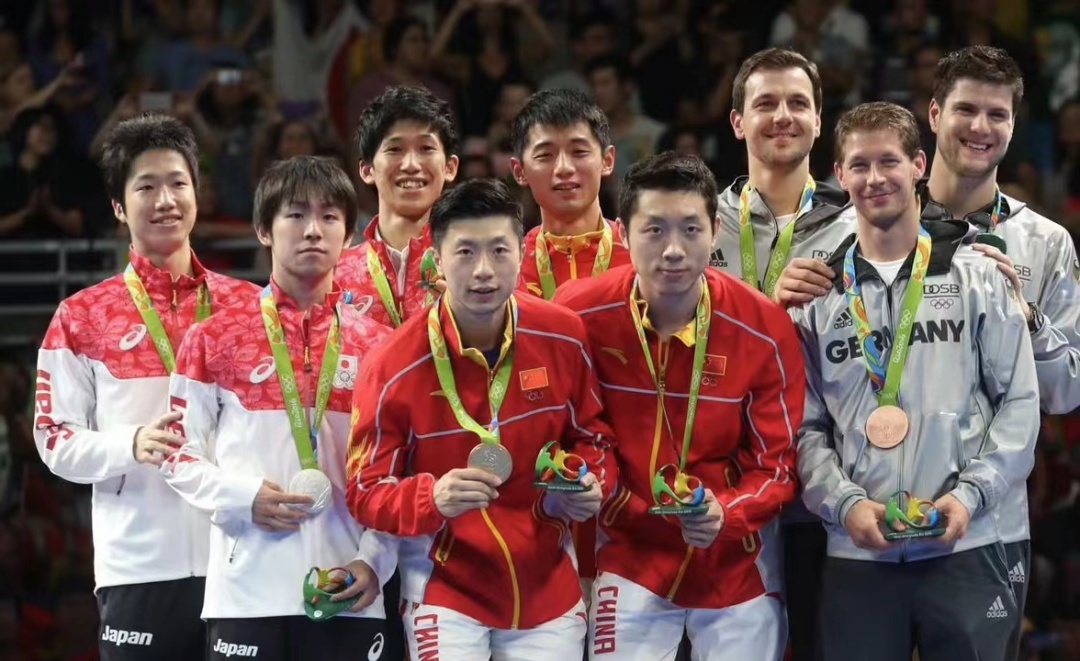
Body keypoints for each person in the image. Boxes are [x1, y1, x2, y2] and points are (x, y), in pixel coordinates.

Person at [775, 46, 1080, 656]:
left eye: (997, 114)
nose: (980, 126)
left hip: (984, 523)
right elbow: (804, 402)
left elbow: (1064, 392)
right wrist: (775, 301)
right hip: (859, 528)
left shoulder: (1042, 242)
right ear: (934, 116)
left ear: (1014, 124)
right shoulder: (839, 239)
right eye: (966, 109)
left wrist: (1024, 316)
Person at [346, 178, 615, 660]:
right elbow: (364, 491)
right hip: (445, 588)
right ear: (437, 259)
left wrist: (591, 481)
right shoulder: (390, 365)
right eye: (466, 252)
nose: (484, 270)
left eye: (499, 251)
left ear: (522, 252)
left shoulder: (563, 336)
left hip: (547, 587)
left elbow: (594, 439)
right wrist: (430, 497)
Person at [554, 151, 806, 661]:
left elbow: (777, 466)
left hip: (736, 559)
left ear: (715, 232)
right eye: (654, 230)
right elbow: (566, 431)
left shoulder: (763, 328)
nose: (672, 250)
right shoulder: (577, 315)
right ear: (623, 234)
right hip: (630, 551)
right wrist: (590, 484)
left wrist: (727, 512)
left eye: (691, 230)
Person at [32, 113, 260, 661]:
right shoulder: (81, 317)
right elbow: (53, 437)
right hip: (139, 566)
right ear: (118, 206)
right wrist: (129, 445)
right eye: (146, 187)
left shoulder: (251, 307)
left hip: (244, 558)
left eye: (178, 183)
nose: (166, 200)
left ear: (197, 194)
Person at [162, 156, 397, 661]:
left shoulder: (381, 348)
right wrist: (242, 496)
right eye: (295, 214)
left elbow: (398, 471)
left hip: (348, 589)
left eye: (329, 216)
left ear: (348, 234)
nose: (313, 229)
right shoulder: (212, 338)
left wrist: (375, 561)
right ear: (264, 230)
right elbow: (177, 455)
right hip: (246, 592)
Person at [718, 46, 853, 661]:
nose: (782, 116)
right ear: (737, 121)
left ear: (819, 121)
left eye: (798, 103)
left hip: (825, 482)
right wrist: (766, 310)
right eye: (765, 103)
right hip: (726, 477)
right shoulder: (699, 221)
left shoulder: (859, 224)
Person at [335, 85, 460, 328]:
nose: (411, 164)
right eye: (395, 149)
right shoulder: (335, 275)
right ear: (367, 170)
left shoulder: (472, 264)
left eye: (426, 149)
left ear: (450, 167)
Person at [510, 88, 631, 301]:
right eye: (545, 155)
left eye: (579, 152)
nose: (564, 168)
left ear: (607, 161)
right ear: (520, 172)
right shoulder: (508, 265)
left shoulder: (639, 255)